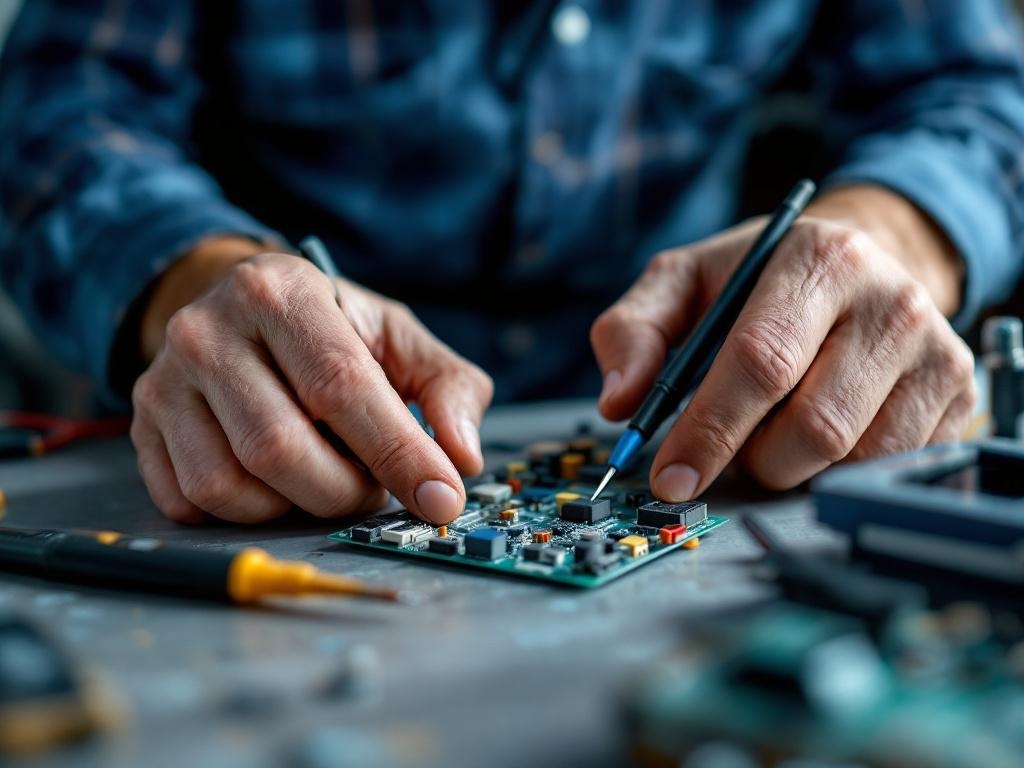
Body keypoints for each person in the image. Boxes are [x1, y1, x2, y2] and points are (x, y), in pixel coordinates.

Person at [1, 2, 1022, 526]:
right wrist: (193, 277)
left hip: (713, 438)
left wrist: (883, 239)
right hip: (272, 447)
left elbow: (973, 90)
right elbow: (54, 113)